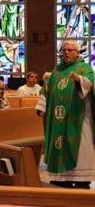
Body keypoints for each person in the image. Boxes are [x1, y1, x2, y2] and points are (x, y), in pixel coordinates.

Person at [36, 40, 95, 189]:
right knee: (59, 144)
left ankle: (82, 179)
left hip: (78, 119)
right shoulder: (57, 70)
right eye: (64, 50)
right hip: (58, 121)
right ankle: (61, 178)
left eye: (70, 50)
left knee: (81, 148)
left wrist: (78, 79)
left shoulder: (84, 68)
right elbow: (46, 89)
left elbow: (89, 83)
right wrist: (41, 107)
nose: (66, 53)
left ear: (77, 52)